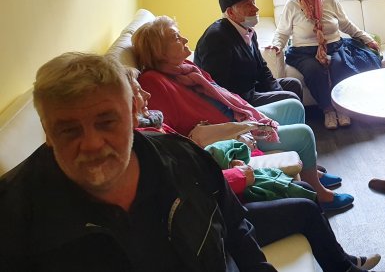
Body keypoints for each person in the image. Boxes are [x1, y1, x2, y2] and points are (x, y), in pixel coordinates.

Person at [0, 52, 276, 271]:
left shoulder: (185, 159)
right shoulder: (13, 215)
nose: (92, 143)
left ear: (134, 112)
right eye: (69, 130)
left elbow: (237, 232)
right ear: (47, 132)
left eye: (107, 122)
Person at [125, 68, 381, 272]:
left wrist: (227, 164)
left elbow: (196, 167)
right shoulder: (146, 145)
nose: (147, 95)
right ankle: (343, 267)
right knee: (307, 208)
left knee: (304, 189)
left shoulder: (151, 128)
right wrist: (237, 175)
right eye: (138, 91)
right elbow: (192, 187)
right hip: (218, 217)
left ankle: (341, 261)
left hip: (225, 201)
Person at [132, 15, 354, 211]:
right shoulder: (153, 82)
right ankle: (319, 193)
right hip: (229, 135)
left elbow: (222, 94)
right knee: (304, 134)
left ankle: (310, 171)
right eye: (175, 37)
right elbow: (174, 135)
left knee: (293, 106)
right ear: (159, 49)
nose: (184, 39)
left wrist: (245, 113)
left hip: (235, 117)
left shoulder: (185, 69)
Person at [267, 0, 382, 130]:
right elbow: (282, 32)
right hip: (304, 52)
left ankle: (342, 107)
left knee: (340, 64)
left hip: (334, 45)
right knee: (313, 70)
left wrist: (366, 39)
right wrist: (277, 46)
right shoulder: (291, 5)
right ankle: (328, 109)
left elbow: (345, 24)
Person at [195, 0, 303, 107]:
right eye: (248, 5)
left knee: (294, 85)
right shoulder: (216, 38)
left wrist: (277, 90)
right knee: (290, 98)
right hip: (236, 99)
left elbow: (262, 68)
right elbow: (218, 86)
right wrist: (280, 97)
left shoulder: (248, 31)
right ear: (231, 12)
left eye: (253, 3)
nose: (256, 9)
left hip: (250, 89)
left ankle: (291, 116)